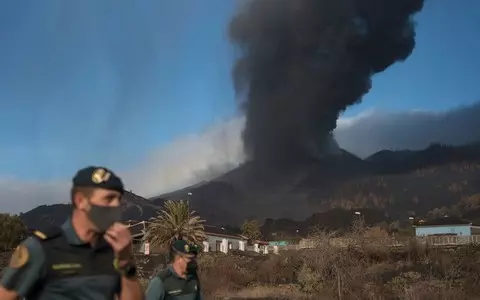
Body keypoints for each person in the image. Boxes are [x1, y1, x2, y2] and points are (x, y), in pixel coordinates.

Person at [0, 166, 144, 300]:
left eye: (118, 199)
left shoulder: (113, 249)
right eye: (108, 199)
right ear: (80, 201)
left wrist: (126, 261)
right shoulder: (41, 248)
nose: (116, 205)